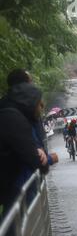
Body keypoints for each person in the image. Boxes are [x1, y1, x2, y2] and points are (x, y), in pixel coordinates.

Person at [0, 82, 58, 213]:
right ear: (30, 102)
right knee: (16, 229)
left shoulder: (14, 115)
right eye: (39, 102)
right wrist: (48, 160)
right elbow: (33, 157)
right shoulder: (14, 119)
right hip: (17, 186)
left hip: (14, 184)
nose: (41, 106)